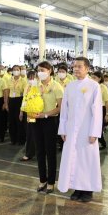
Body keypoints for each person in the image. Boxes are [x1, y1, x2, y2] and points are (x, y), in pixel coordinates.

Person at [58, 57, 103, 202]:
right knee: (74, 159)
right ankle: (77, 188)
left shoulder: (94, 86)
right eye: (74, 66)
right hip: (71, 130)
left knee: (87, 160)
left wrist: (94, 132)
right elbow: (64, 110)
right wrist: (63, 130)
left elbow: (97, 112)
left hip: (86, 130)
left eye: (79, 66)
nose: (76, 69)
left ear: (87, 68)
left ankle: (88, 190)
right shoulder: (70, 86)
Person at [32, 61, 63, 194]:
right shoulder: (34, 85)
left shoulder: (57, 86)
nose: (40, 72)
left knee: (50, 152)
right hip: (36, 121)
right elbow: (29, 100)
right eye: (38, 70)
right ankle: (42, 180)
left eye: (43, 70)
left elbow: (60, 108)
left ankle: (51, 182)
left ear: (50, 70)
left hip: (50, 121)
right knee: (39, 151)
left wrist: (45, 114)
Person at [7, 65, 27, 145]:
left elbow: (25, 94)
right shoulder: (9, 80)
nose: (16, 71)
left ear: (20, 70)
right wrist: (6, 103)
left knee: (19, 120)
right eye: (14, 69)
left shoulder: (23, 81)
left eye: (17, 69)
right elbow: (7, 91)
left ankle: (20, 139)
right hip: (11, 100)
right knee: (11, 121)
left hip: (19, 100)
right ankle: (13, 139)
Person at [91, 71, 108, 150]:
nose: (93, 79)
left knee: (99, 127)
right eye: (92, 77)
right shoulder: (90, 86)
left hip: (101, 108)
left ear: (99, 78)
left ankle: (102, 142)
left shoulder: (103, 87)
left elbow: (106, 101)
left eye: (94, 78)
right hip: (92, 108)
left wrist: (107, 114)